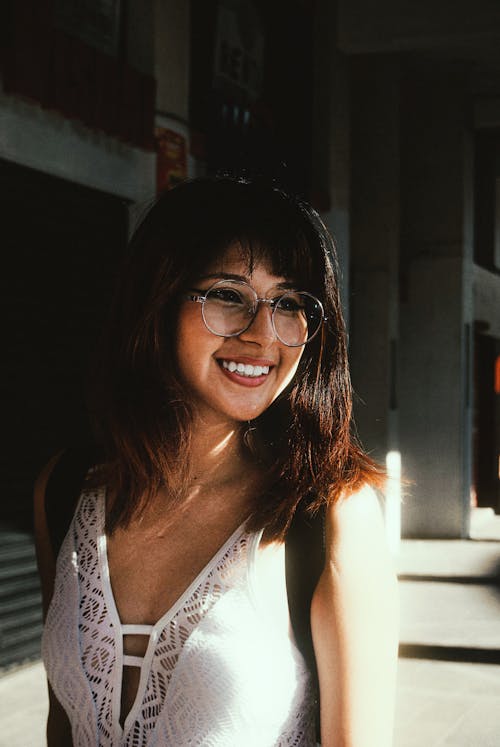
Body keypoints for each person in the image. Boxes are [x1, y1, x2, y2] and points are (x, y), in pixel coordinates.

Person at [34, 176, 399, 747]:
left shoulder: (328, 514)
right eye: (228, 294)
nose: (263, 335)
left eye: (291, 304)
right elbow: (64, 723)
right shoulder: (67, 490)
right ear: (156, 302)